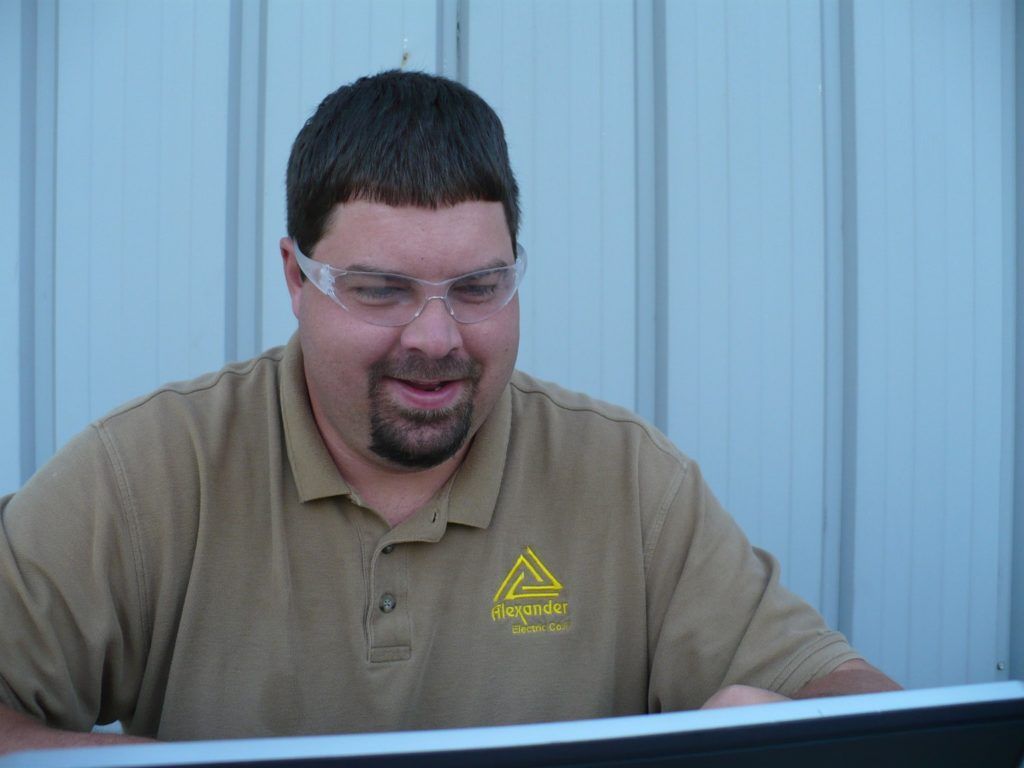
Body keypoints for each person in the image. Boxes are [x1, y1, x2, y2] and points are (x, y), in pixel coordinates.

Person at [0, 70, 899, 753]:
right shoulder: (147, 472)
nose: (436, 337)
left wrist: (801, 729)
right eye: (380, 289)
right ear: (293, 277)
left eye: (478, 286)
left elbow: (839, 689)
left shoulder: (628, 481)